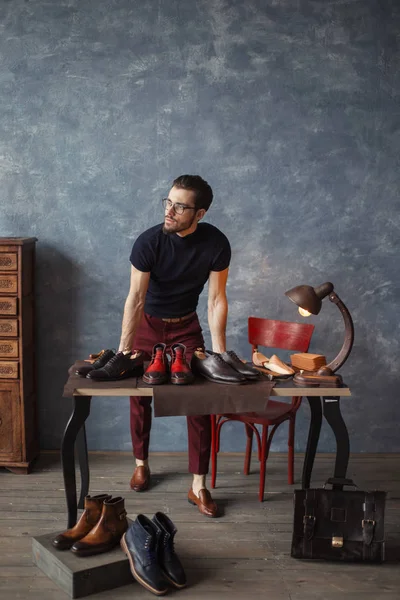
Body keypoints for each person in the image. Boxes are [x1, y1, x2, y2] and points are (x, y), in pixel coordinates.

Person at [116, 174, 231, 518]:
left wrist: (220, 354)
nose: (170, 211)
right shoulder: (148, 242)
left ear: (200, 213)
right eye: (168, 202)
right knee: (139, 397)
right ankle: (141, 464)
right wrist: (124, 351)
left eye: (180, 206)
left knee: (198, 401)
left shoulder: (216, 244)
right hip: (148, 326)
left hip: (186, 328)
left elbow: (216, 300)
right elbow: (135, 299)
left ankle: (198, 484)